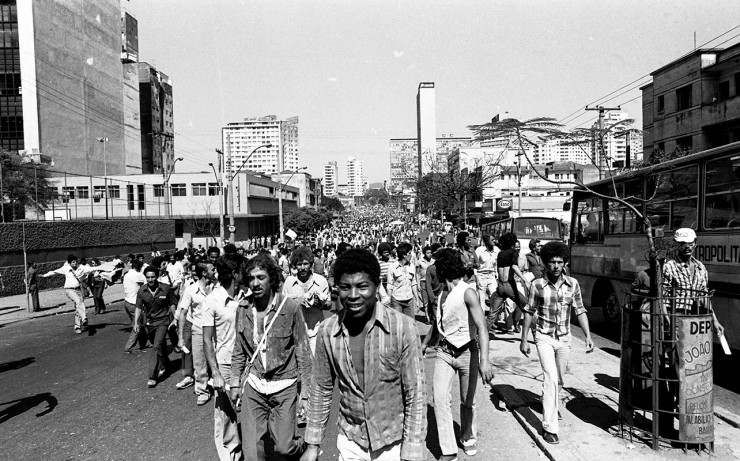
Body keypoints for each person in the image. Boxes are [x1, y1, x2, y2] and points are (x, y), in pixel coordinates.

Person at [302, 249, 426, 461]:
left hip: (393, 443)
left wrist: (412, 449)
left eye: (362, 286)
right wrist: (312, 445)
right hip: (351, 441)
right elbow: (321, 388)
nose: (353, 295)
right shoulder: (328, 331)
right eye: (345, 287)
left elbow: (416, 393)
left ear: (377, 286)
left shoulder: (403, 328)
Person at [229, 254, 312, 461]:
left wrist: (306, 395)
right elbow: (239, 349)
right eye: (251, 278)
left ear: (271, 278)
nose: (255, 283)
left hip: (284, 384)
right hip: (255, 385)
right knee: (252, 454)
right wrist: (234, 383)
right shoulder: (242, 308)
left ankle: (303, 447)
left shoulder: (290, 308)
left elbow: (303, 352)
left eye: (261, 277)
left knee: (284, 447)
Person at [421, 249, 494, 460]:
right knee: (440, 398)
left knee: (467, 400)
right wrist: (424, 344)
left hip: (467, 353)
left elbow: (482, 327)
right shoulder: (442, 292)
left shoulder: (467, 292)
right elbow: (438, 324)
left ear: (444, 268)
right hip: (444, 352)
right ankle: (448, 450)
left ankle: (468, 437)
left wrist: (485, 361)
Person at [520, 241, 594, 445]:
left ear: (565, 263)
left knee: (559, 380)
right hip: (543, 337)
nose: (555, 266)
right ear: (545, 263)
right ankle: (549, 427)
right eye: (552, 262)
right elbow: (529, 311)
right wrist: (524, 338)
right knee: (551, 378)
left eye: (559, 262)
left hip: (564, 338)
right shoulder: (537, 285)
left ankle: (548, 401)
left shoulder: (573, 284)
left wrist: (587, 336)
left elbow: (580, 310)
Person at [203, 253, 244, 461]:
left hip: (249, 363)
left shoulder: (247, 295)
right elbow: (207, 340)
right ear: (235, 273)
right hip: (226, 364)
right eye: (242, 270)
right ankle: (231, 455)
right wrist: (216, 373)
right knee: (226, 415)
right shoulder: (212, 300)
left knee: (250, 409)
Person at [662, 228, 724, 334]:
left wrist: (715, 321)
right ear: (676, 244)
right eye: (682, 243)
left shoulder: (700, 267)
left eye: (690, 243)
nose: (687, 247)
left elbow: (704, 298)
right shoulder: (669, 267)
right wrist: (669, 323)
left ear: (695, 243)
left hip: (695, 318)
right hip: (675, 317)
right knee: (675, 349)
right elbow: (662, 298)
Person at [176, 262, 215, 404]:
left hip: (216, 330)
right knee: (199, 362)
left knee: (220, 359)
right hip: (198, 329)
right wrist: (181, 337)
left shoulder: (217, 288)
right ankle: (202, 391)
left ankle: (221, 389)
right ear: (204, 273)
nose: (215, 271)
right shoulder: (191, 290)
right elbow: (182, 313)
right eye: (212, 269)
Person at [132, 266, 179, 387]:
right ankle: (165, 363)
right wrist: (136, 322)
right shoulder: (142, 290)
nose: (150, 279)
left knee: (156, 346)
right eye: (148, 277)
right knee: (158, 345)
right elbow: (138, 307)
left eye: (153, 277)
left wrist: (174, 319)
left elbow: (172, 304)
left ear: (157, 276)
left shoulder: (165, 288)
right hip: (149, 323)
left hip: (163, 321)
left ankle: (153, 376)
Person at [282, 247, 331, 355]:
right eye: (299, 264)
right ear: (295, 265)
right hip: (295, 332)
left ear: (311, 264)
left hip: (316, 331)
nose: (303, 268)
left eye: (305, 264)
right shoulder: (289, 282)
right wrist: (296, 302)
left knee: (314, 365)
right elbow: (283, 306)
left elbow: (329, 304)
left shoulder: (321, 281)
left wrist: (319, 303)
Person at [41, 254, 97, 334]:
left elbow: (92, 269)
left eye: (75, 262)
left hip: (78, 290)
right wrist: (44, 275)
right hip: (69, 290)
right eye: (73, 262)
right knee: (78, 302)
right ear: (69, 263)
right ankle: (84, 318)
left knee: (79, 307)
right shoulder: (65, 268)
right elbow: (54, 272)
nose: (75, 263)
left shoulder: (80, 268)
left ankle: (77, 327)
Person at [489, 233, 529, 335]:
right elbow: (514, 267)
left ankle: (479, 335)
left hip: (500, 285)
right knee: (527, 307)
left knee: (493, 313)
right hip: (509, 285)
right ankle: (536, 332)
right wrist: (525, 280)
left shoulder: (500, 253)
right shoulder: (514, 252)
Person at [386, 242, 418, 318]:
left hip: (409, 299)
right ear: (404, 255)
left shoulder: (412, 266)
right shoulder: (392, 267)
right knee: (398, 323)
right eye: (409, 253)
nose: (411, 255)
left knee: (411, 323)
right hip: (397, 300)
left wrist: (417, 299)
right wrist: (388, 301)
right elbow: (390, 285)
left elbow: (413, 283)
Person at [123, 260, 148, 353]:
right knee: (137, 325)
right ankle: (128, 347)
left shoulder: (127, 275)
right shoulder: (138, 275)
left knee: (139, 323)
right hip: (135, 304)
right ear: (140, 268)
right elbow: (148, 284)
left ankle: (144, 343)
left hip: (127, 302)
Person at [475, 235, 498, 317]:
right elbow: (476, 264)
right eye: (492, 240)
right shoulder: (479, 250)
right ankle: (481, 319)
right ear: (486, 242)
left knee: (495, 296)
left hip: (492, 275)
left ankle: (492, 319)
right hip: (481, 275)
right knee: (481, 298)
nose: (494, 241)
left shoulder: (496, 250)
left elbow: (496, 265)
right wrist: (476, 277)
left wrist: (497, 275)